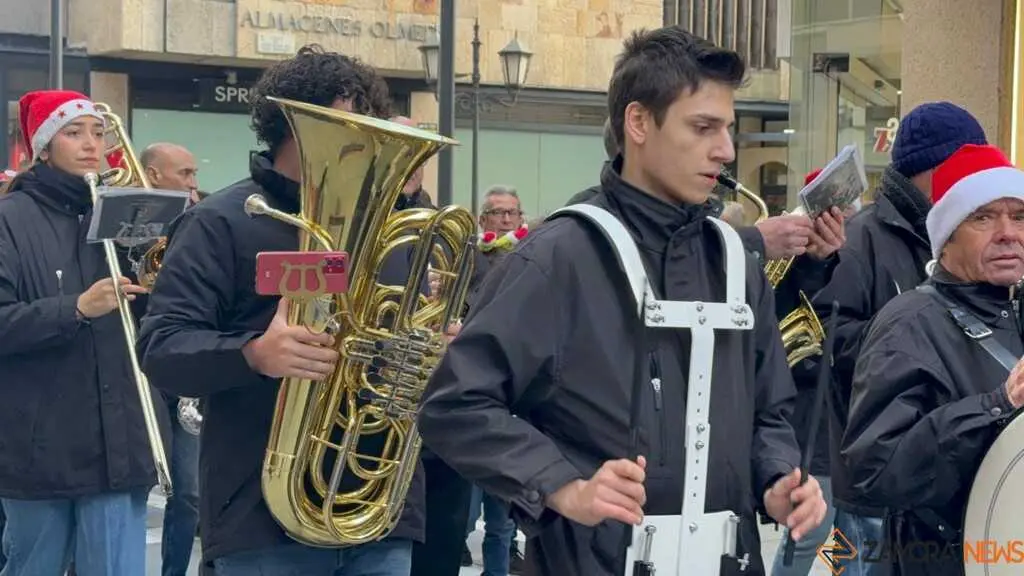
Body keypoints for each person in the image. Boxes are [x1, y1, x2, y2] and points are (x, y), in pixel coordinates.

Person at [417, 26, 826, 576]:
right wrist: (563, 486)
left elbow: (768, 410)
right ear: (638, 123)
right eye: (702, 127)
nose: (725, 149)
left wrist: (777, 478)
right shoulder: (557, 257)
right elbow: (455, 406)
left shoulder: (734, 260)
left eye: (727, 128)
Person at [136, 45, 425, 576]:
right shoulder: (219, 223)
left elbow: (403, 347)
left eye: (371, 118)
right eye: (349, 118)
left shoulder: (393, 230)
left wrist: (431, 352)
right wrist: (253, 354)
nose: (369, 136)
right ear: (292, 120)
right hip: (260, 521)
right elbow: (161, 348)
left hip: (377, 509)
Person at [812, 101, 988, 575]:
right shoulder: (859, 238)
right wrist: (915, 323)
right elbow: (827, 345)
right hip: (870, 488)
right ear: (933, 170)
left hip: (943, 481)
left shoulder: (960, 236)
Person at [842, 143, 1024, 576]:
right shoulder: (908, 324)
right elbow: (874, 470)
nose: (1008, 232)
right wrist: (997, 404)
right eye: (983, 217)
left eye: (1019, 216)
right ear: (946, 237)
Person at [0, 90, 154, 575]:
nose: (93, 144)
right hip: (36, 446)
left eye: (98, 132)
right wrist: (77, 309)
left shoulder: (124, 214)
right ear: (43, 147)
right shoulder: (9, 219)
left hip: (119, 442)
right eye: (73, 133)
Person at [140, 141, 202, 576]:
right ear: (154, 174)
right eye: (184, 173)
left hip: (181, 373)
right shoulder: (123, 219)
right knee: (131, 485)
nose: (193, 183)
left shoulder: (200, 219)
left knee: (189, 492)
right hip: (137, 371)